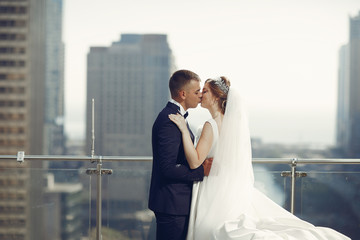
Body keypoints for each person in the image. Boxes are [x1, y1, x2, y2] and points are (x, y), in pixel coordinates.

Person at [169, 76, 351, 240]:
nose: (201, 95)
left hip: (210, 187)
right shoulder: (230, 124)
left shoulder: (211, 124)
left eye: (206, 91)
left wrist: (184, 130)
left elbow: (194, 161)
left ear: (217, 97)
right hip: (222, 185)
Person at [148, 69, 213, 240]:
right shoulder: (169, 121)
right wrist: (202, 172)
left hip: (176, 203)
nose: (200, 96)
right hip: (171, 204)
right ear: (183, 94)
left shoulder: (177, 117)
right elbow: (168, 168)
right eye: (196, 91)